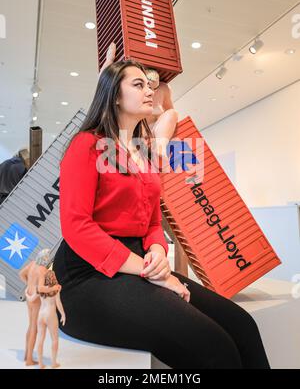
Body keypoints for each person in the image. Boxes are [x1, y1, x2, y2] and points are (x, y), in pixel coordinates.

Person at [53, 58, 271, 369]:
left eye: (149, 85)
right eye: (138, 85)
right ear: (114, 95)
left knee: (243, 326)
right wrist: (152, 271)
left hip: (140, 264)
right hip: (87, 277)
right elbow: (76, 227)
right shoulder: (86, 145)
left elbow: (153, 222)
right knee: (215, 347)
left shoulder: (145, 152)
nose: (149, 91)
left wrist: (156, 250)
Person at [100, 42, 178, 170]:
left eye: (151, 87)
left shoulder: (164, 90)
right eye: (140, 85)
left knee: (172, 114)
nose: (150, 91)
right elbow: (104, 88)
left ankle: (158, 148)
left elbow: (171, 113)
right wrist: (109, 59)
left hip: (156, 135)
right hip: (137, 134)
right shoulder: (127, 105)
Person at [19, 249, 62, 366]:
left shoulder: (32, 264)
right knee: (34, 327)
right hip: (36, 299)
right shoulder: (42, 270)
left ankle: (27, 355)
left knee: (30, 325)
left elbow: (21, 273)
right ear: (45, 258)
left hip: (29, 295)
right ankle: (29, 359)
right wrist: (53, 289)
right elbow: (41, 288)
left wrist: (29, 285)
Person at [36, 270, 66, 369]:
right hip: (50, 314)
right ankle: (53, 363)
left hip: (41, 314)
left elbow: (32, 298)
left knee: (40, 338)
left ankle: (40, 363)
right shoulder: (56, 289)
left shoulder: (41, 290)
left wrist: (27, 295)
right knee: (54, 339)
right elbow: (58, 303)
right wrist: (63, 314)